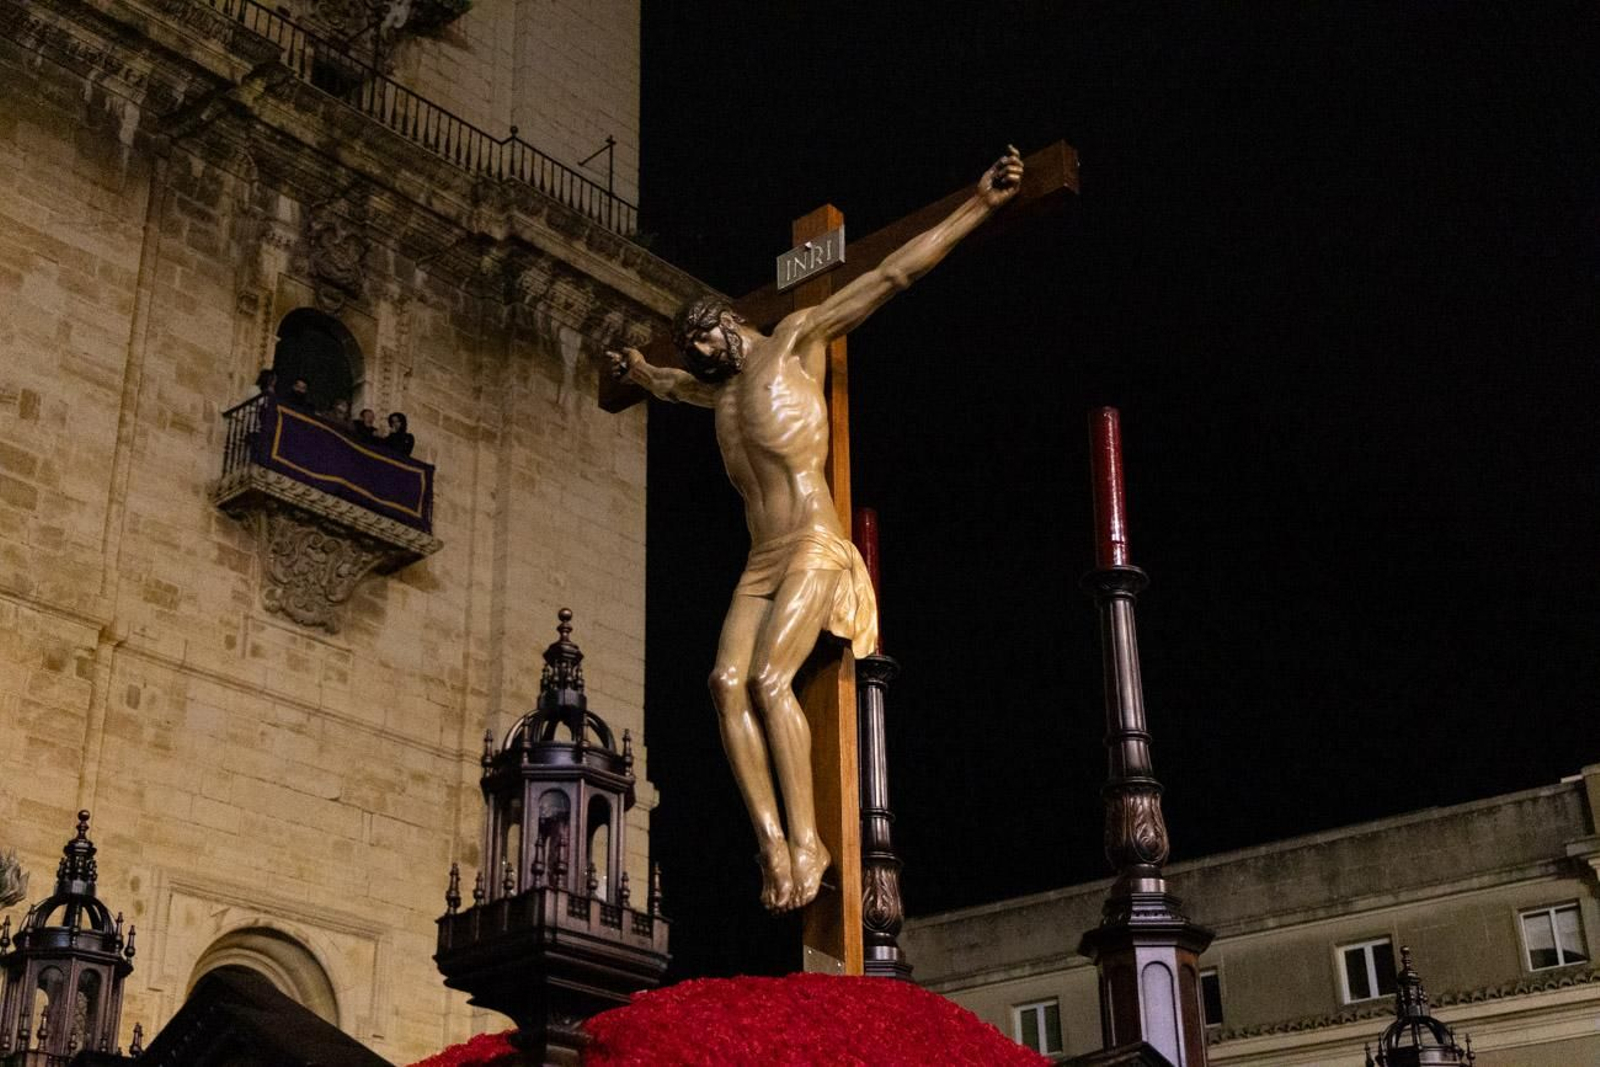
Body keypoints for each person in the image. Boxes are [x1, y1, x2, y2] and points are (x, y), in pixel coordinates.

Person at [607, 147, 1024, 913]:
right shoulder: (716, 395)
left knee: (771, 678)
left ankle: (810, 841)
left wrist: (979, 204)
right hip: (761, 557)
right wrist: (638, 370)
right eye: (691, 342)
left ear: (733, 321)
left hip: (812, 541)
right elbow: (664, 382)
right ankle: (770, 840)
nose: (699, 348)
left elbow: (890, 276)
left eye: (706, 332)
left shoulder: (794, 339)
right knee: (723, 682)